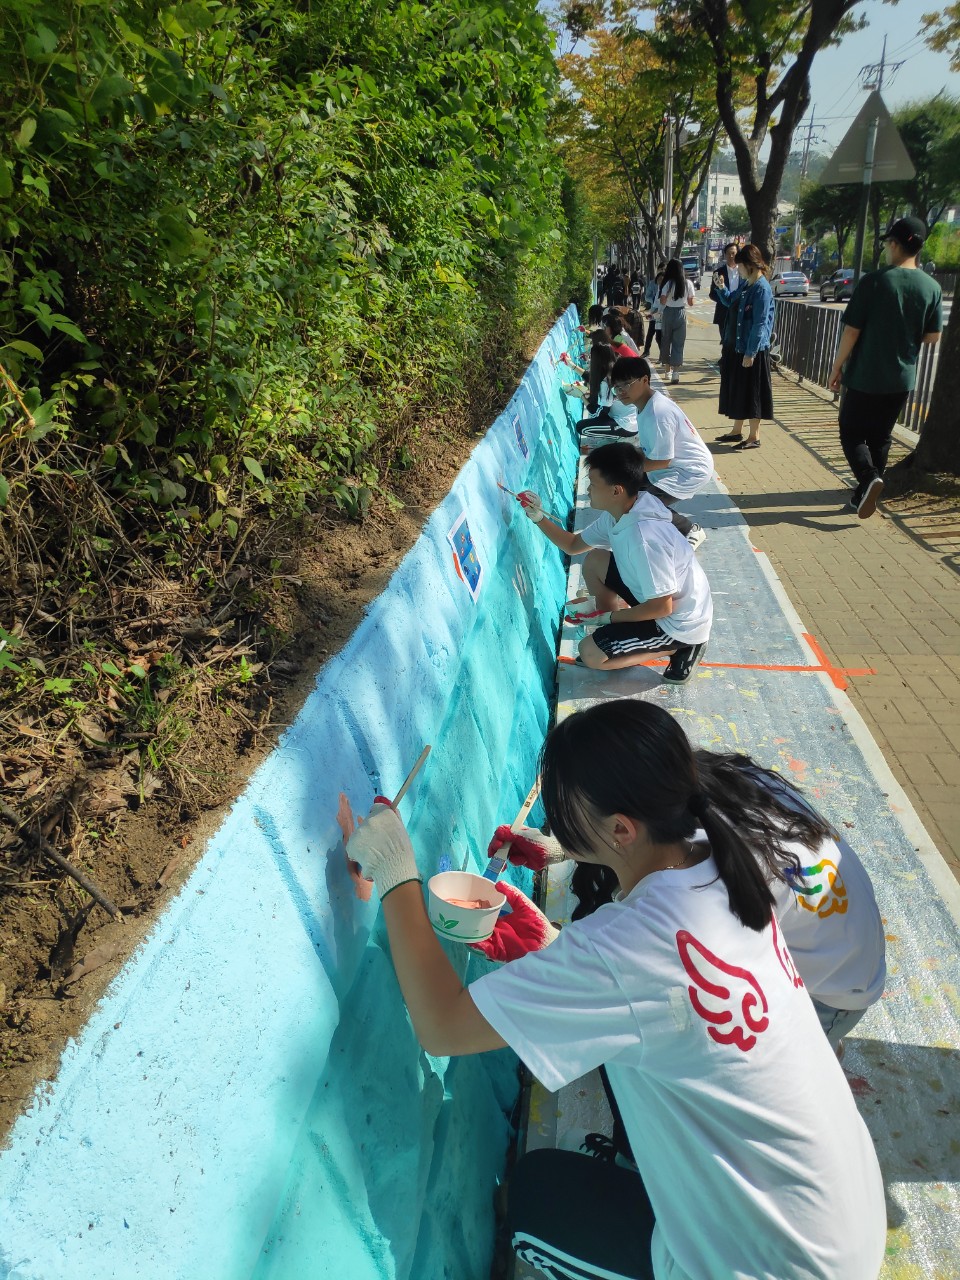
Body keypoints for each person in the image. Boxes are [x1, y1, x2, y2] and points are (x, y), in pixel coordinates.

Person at [346, 699, 887, 1280]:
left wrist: (398, 873)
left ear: (622, 830)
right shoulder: (725, 862)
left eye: (562, 813)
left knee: (530, 1203)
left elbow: (441, 1026)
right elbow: (659, 992)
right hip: (844, 1221)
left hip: (772, 1267)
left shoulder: (622, 946)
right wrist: (559, 942)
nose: (555, 823)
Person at [491, 748, 886, 1055]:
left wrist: (551, 950)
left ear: (620, 827)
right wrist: (567, 847)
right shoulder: (711, 785)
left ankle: (815, 1047)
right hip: (841, 951)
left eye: (570, 818)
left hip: (828, 997)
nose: (559, 824)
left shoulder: (698, 888)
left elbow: (641, 985)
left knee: (661, 1048)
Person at [517, 443, 712, 682]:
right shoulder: (623, 512)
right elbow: (573, 545)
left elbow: (662, 608)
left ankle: (679, 648)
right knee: (596, 560)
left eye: (594, 484)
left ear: (616, 491)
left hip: (677, 623)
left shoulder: (644, 539)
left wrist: (605, 618)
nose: (588, 489)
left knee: (590, 654)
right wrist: (537, 516)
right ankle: (615, 636)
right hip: (659, 600)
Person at [828, 216, 943, 519]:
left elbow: (851, 331)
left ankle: (868, 479)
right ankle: (863, 496)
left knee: (851, 432)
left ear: (894, 244)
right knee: (880, 436)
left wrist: (837, 367)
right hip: (902, 377)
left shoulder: (876, 281)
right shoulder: (931, 287)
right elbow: (933, 336)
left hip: (866, 373)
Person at [609, 354, 711, 549]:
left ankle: (690, 529)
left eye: (626, 384)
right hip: (673, 465)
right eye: (617, 387)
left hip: (689, 471)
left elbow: (661, 461)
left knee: (644, 505)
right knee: (626, 490)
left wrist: (625, 469)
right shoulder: (643, 405)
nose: (621, 392)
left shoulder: (658, 413)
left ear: (645, 380)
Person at [711, 243, 775, 449]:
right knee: (739, 390)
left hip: (752, 350)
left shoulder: (761, 289)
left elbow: (760, 323)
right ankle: (737, 431)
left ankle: (754, 436)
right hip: (738, 347)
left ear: (750, 265)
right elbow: (731, 302)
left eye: (740, 265)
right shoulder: (747, 285)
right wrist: (721, 288)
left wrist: (751, 352)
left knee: (752, 392)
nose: (737, 268)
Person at [658, 257, 695, 384]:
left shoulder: (667, 283)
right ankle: (676, 373)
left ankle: (667, 369)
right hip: (681, 312)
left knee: (666, 340)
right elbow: (691, 303)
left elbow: (662, 301)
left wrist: (668, 295)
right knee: (678, 343)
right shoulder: (688, 283)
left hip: (668, 312)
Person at [709, 242, 742, 347]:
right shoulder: (718, 273)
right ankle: (725, 361)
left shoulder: (744, 271)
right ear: (725, 255)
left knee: (739, 340)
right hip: (724, 312)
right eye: (728, 253)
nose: (731, 256)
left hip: (741, 311)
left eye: (733, 253)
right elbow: (712, 294)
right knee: (726, 341)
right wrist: (725, 300)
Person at [641, 272, 662, 357]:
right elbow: (647, 297)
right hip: (654, 313)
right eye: (659, 278)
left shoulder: (668, 285)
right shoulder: (653, 284)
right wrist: (654, 300)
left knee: (659, 336)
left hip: (662, 316)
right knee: (650, 334)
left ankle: (662, 355)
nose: (661, 280)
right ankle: (646, 351)